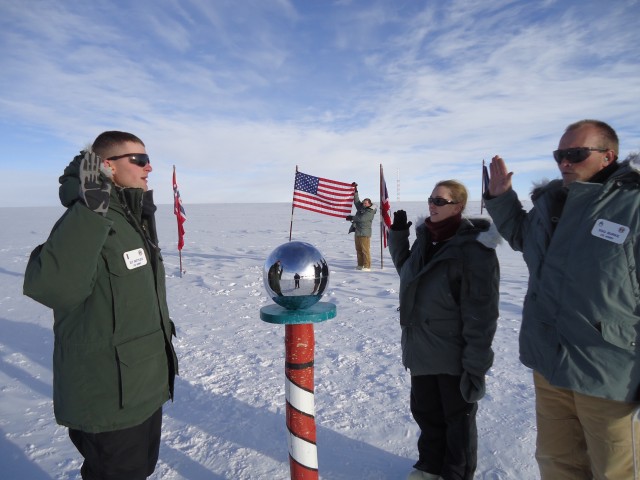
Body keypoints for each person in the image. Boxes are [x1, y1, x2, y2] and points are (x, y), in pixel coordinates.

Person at [484, 119, 640, 479]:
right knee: (557, 464)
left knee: (617, 472)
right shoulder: (553, 203)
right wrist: (501, 199)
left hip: (611, 375)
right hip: (551, 364)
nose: (564, 163)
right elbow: (524, 238)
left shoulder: (632, 207)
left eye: (575, 154)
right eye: (559, 155)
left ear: (607, 156)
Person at [23, 131, 179, 480]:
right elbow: (51, 287)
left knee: (137, 469)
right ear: (107, 167)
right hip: (109, 394)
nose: (148, 166)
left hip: (142, 385)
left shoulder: (129, 216)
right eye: (138, 159)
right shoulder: (90, 216)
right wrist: (91, 213)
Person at [389, 180, 500, 480]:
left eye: (440, 200)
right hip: (422, 347)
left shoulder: (475, 248)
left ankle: (455, 473)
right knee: (426, 414)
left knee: (457, 421)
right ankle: (429, 466)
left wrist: (475, 364)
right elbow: (409, 273)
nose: (432, 205)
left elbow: (482, 312)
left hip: (454, 352)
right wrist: (399, 235)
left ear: (459, 206)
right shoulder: (427, 238)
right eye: (431, 199)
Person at [345, 182, 376, 271]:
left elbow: (362, 219)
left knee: (365, 250)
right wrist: (355, 190)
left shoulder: (370, 211)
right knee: (358, 249)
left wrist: (352, 217)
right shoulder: (362, 207)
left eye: (365, 203)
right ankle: (360, 265)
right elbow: (356, 201)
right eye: (363, 203)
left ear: (369, 203)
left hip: (364, 233)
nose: (364, 204)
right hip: (358, 232)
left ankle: (367, 266)